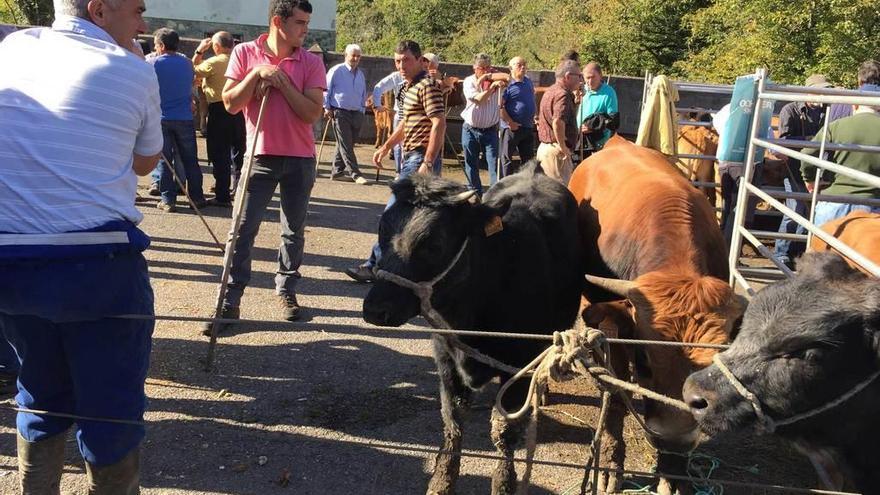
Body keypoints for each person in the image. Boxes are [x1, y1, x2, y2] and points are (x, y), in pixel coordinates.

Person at [0, 0, 162, 491]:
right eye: (136, 10)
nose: (143, 24)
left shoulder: (13, 50)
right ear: (100, 10)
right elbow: (145, 161)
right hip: (98, 268)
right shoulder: (133, 70)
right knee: (111, 409)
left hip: (13, 264)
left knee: (39, 389)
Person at [204, 0, 325, 332]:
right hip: (259, 155)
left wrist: (282, 82)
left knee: (293, 230)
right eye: (300, 22)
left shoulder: (311, 61)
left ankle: (286, 290)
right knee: (241, 231)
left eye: (307, 23)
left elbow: (311, 113)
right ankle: (230, 301)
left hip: (300, 158)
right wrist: (257, 74)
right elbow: (230, 103)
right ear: (278, 22)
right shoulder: (244, 53)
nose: (305, 29)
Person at [345, 40, 446, 283]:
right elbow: (405, 123)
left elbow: (439, 122)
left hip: (420, 157)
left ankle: (373, 265)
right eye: (397, 61)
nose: (401, 65)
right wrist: (387, 146)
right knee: (417, 218)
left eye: (406, 60)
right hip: (410, 156)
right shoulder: (407, 87)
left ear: (420, 60)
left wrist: (428, 161)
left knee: (393, 214)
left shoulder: (427, 86)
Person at [771, 74, 829, 268]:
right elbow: (786, 141)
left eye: (823, 91)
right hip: (794, 168)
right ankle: (781, 252)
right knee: (794, 208)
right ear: (807, 91)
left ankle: (798, 252)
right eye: (817, 91)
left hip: (815, 170)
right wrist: (812, 139)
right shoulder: (790, 110)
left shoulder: (826, 111)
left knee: (810, 211)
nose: (821, 95)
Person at [802, 85, 880, 226]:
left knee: (823, 246)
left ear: (854, 104)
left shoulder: (835, 126)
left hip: (834, 202)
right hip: (873, 204)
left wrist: (810, 180)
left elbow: (807, 154)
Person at [150, 27, 207, 212]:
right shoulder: (187, 64)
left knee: (164, 160)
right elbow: (191, 84)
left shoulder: (152, 64)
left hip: (161, 117)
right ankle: (197, 197)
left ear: (161, 45)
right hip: (184, 116)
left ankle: (168, 200)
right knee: (190, 159)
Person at [193, 31, 246, 207]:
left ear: (216, 46)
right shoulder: (241, 61)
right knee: (240, 154)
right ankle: (239, 193)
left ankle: (222, 195)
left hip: (219, 110)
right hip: (240, 110)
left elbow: (192, 70)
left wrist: (199, 52)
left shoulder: (213, 62)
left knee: (220, 154)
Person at [460, 53, 507, 195]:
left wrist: (494, 79)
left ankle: (495, 195)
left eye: (488, 68)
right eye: (482, 68)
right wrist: (491, 87)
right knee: (470, 163)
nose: (486, 71)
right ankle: (475, 193)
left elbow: (508, 77)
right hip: (470, 129)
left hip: (491, 130)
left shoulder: (495, 78)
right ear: (475, 68)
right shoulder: (469, 81)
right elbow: (479, 100)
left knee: (494, 164)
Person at [325, 43, 370, 184]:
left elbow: (363, 93)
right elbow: (326, 89)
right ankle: (356, 174)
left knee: (346, 144)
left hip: (357, 113)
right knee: (346, 144)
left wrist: (362, 110)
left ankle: (337, 172)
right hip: (340, 112)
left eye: (358, 56)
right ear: (346, 55)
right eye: (353, 55)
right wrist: (326, 107)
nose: (356, 58)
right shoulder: (336, 70)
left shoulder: (361, 74)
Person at [537, 59, 580, 184]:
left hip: (547, 149)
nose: (580, 79)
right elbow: (558, 121)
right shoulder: (562, 95)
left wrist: (575, 104)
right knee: (558, 194)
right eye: (578, 76)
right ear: (567, 76)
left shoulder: (551, 90)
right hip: (556, 152)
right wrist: (563, 146)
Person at [499, 56, 536, 177]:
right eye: (519, 65)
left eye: (524, 64)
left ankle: (527, 185)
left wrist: (535, 115)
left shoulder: (528, 81)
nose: (523, 67)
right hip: (511, 128)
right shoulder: (507, 85)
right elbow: (500, 107)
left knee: (528, 160)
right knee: (507, 159)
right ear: (511, 68)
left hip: (527, 127)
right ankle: (505, 186)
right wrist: (510, 122)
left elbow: (531, 99)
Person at [576, 61, 619, 156]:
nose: (590, 81)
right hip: (578, 140)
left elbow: (614, 121)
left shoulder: (609, 93)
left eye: (593, 77)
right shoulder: (581, 90)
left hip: (598, 144)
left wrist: (593, 127)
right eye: (587, 78)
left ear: (600, 75)